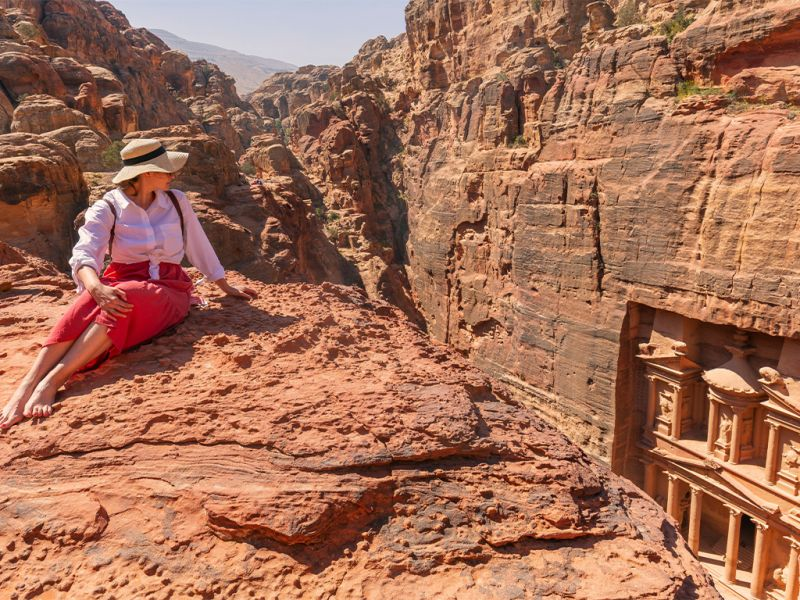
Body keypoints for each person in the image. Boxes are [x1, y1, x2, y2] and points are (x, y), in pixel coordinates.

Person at [0, 138, 257, 429]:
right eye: (165, 168)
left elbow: (199, 245)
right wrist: (95, 288)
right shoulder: (108, 206)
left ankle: (53, 380)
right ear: (146, 173)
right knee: (88, 302)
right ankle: (27, 384)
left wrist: (225, 286)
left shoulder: (176, 201)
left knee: (125, 295)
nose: (173, 174)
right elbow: (85, 253)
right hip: (121, 280)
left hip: (169, 288)